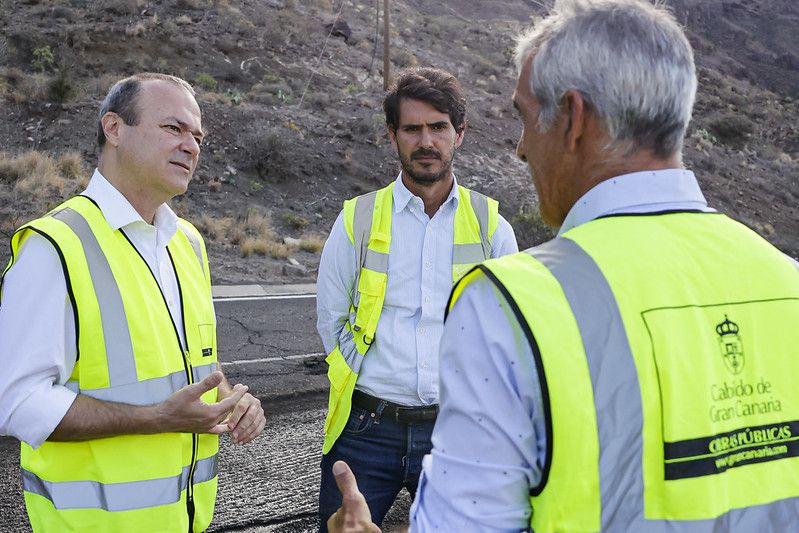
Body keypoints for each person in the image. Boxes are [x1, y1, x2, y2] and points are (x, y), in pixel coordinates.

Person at [326, 0, 799, 531]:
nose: (523, 148)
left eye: (526, 118)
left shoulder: (508, 304)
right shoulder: (789, 283)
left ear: (572, 118)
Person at [0, 72, 266, 532]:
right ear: (114, 129)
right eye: (173, 128)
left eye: (197, 136)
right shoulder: (55, 246)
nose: (191, 146)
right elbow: (18, 403)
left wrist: (229, 400)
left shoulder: (187, 242)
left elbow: (189, 366)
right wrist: (157, 419)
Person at [316, 67, 518, 530]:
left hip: (457, 431)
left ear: (459, 134)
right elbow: (331, 320)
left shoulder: (492, 228)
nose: (426, 140)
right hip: (366, 429)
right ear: (393, 136)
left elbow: (507, 333)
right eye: (412, 128)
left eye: (438, 127)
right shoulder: (357, 221)